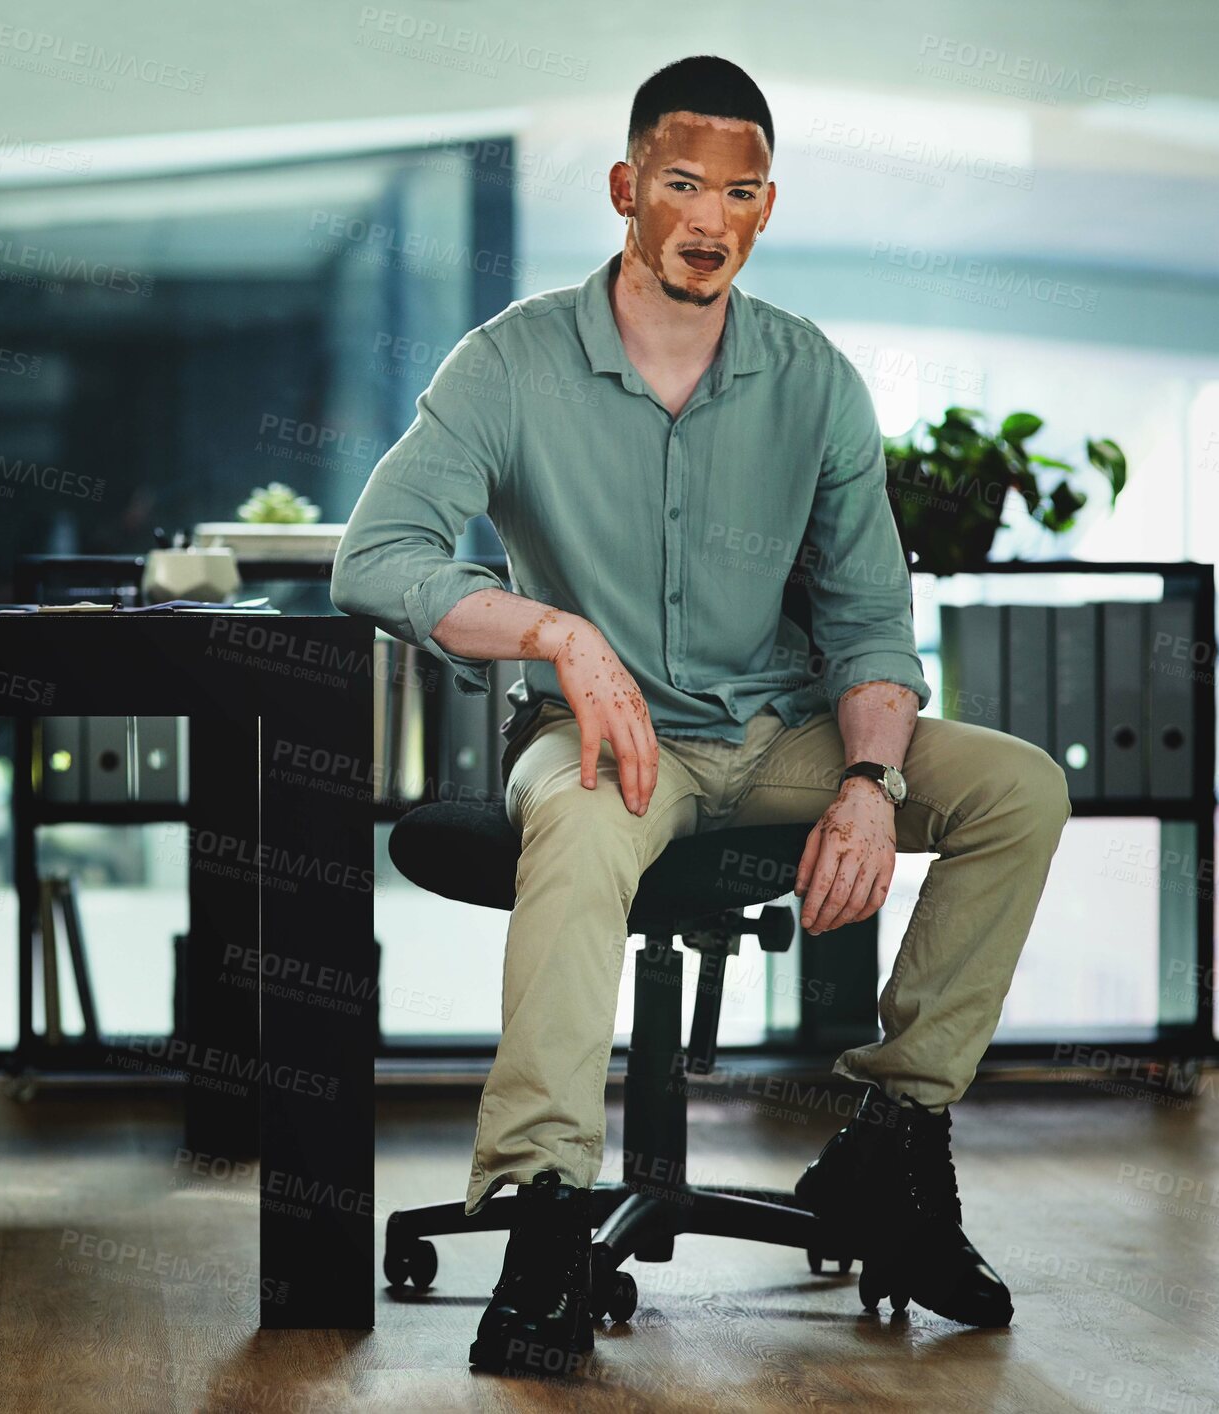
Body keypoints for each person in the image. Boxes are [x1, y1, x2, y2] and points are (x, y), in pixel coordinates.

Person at [331, 53, 1071, 1375]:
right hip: (606, 743)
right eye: (680, 183)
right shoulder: (509, 363)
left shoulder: (813, 380)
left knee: (1018, 785)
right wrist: (557, 633)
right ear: (627, 189)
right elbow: (373, 555)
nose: (707, 217)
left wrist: (868, 783)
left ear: (763, 209)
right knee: (572, 820)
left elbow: (866, 622)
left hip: (780, 730)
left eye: (737, 191)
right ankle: (546, 1211)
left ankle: (888, 1146)